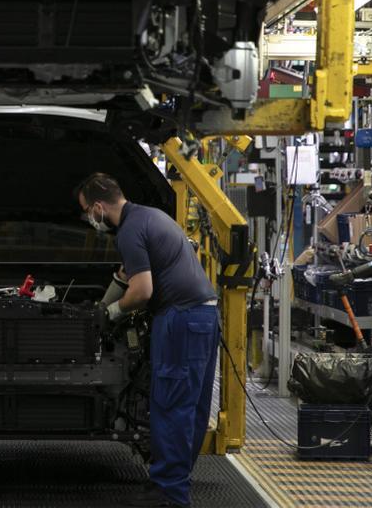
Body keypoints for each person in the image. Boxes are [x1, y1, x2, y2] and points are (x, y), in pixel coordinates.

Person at [76, 172, 219, 508]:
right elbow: (128, 275)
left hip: (181, 319)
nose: (88, 219)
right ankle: (175, 482)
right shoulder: (149, 216)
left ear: (99, 207)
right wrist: (103, 303)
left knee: (170, 405)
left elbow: (142, 291)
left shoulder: (129, 231)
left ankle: (169, 493)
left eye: (86, 212)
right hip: (203, 316)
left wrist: (110, 314)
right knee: (191, 407)